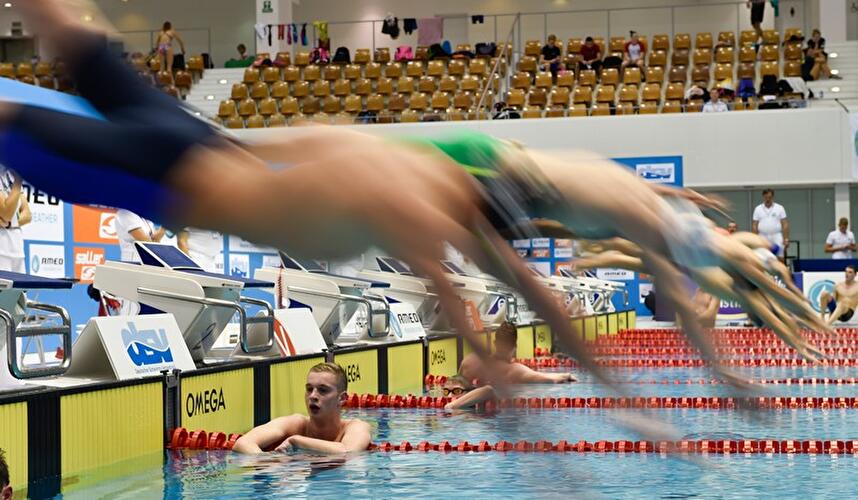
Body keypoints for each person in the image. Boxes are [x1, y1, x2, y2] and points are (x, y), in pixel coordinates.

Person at [1, 0, 822, 388]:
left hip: (204, 151)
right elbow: (523, 290)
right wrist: (692, 378)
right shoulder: (421, 199)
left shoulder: (427, 170)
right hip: (175, 174)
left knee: (80, 39)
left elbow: (567, 269)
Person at [232, 363, 372, 454]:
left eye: (323, 390)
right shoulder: (296, 423)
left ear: (342, 398)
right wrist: (268, 463)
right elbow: (243, 443)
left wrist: (297, 441)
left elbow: (347, 452)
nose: (313, 396)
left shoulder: (356, 427)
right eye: (309, 389)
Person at [458, 322, 576, 384]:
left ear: (495, 343)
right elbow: (549, 379)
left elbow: (457, 383)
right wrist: (567, 375)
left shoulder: (470, 360)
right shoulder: (514, 370)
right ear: (515, 347)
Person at [0, 169, 31, 273]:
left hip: (18, 250)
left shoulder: (10, 175)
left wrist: (9, 224)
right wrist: (18, 181)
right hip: (2, 251)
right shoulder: (16, 179)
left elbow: (27, 215)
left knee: (20, 288)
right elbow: (6, 213)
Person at [752, 188, 788, 260]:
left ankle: (780, 270)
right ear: (763, 197)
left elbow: (785, 224)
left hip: (776, 235)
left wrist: (786, 238)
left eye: (769, 197)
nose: (768, 199)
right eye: (766, 197)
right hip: (762, 235)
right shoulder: (758, 209)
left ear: (772, 197)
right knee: (761, 256)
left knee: (780, 256)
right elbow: (754, 225)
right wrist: (754, 238)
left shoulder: (780, 208)